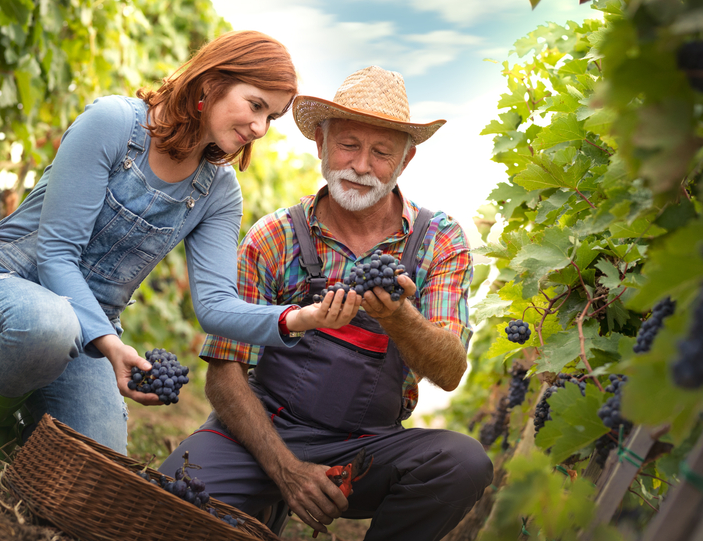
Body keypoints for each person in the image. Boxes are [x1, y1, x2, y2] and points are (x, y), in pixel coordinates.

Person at [0, 30, 360, 459]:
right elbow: (57, 255)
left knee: (98, 466)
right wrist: (112, 346)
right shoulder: (113, 124)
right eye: (256, 106)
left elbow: (215, 306)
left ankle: (25, 412)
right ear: (212, 83)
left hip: (84, 336)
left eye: (272, 117)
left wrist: (301, 318)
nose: (261, 127)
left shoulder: (219, 192)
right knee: (49, 325)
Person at [158, 66, 493, 541]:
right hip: (263, 435)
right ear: (321, 142)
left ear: (406, 160)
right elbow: (225, 372)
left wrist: (400, 318)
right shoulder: (274, 238)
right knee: (169, 504)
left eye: (381, 153)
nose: (360, 166)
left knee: (462, 463)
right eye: (349, 145)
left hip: (365, 448)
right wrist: (287, 471)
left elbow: (450, 369)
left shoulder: (438, 241)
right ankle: (267, 497)